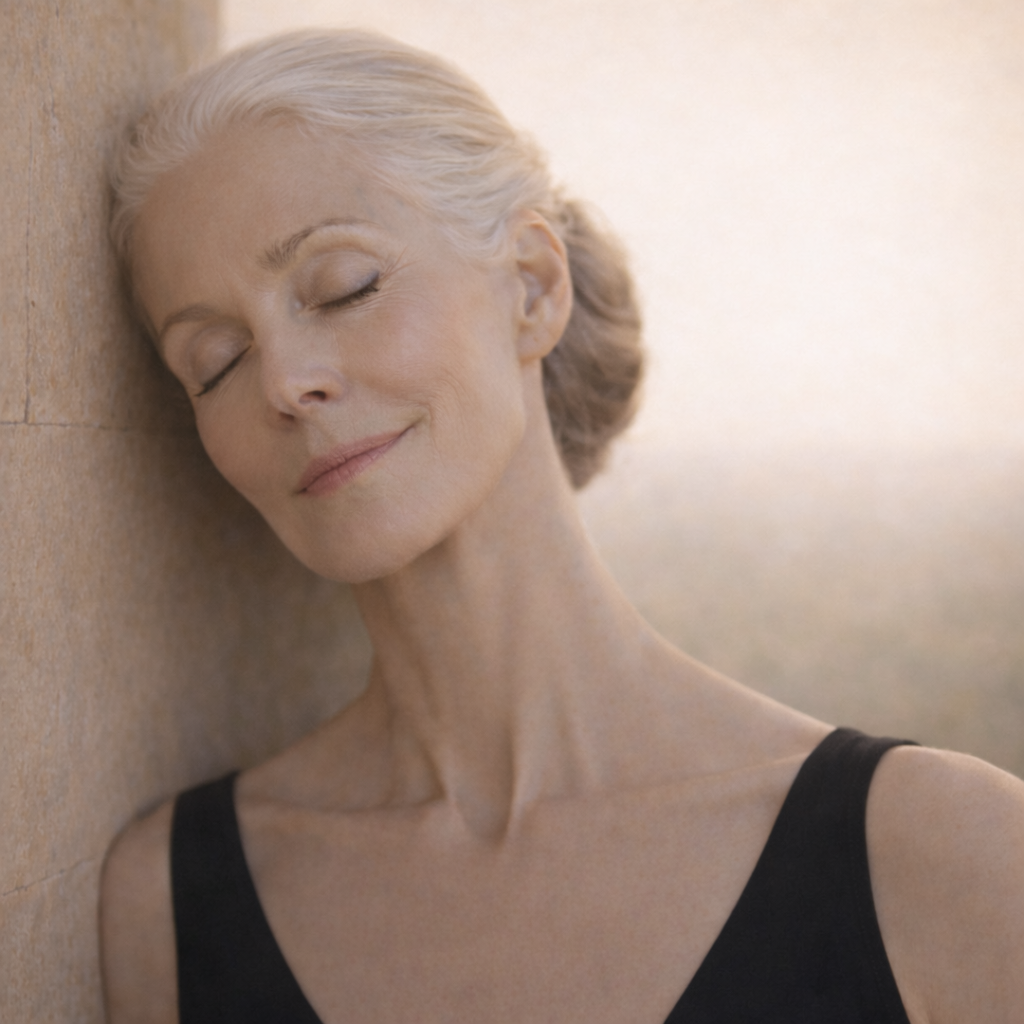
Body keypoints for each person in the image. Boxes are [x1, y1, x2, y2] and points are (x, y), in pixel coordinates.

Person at [99, 28, 1024, 1024]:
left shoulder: (950, 858)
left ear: (533, 288)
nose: (284, 381)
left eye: (344, 286)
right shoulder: (168, 911)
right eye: (216, 362)